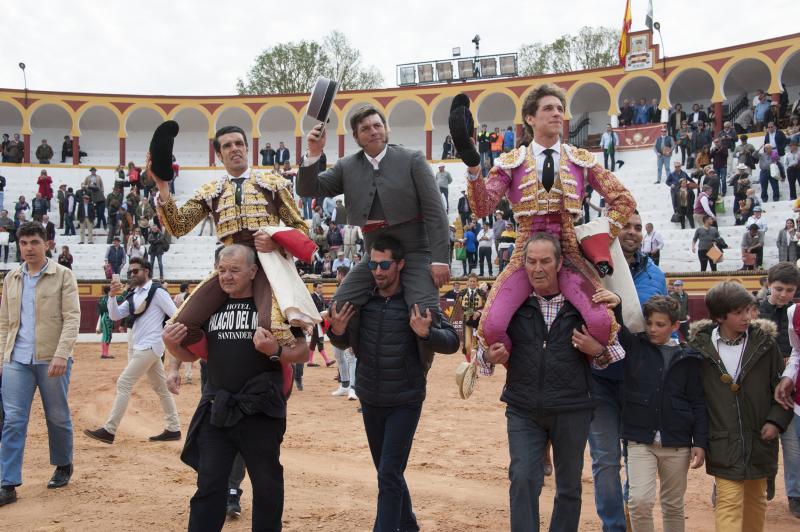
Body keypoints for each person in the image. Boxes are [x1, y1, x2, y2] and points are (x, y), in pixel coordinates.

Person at [456, 83, 636, 360]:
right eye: (548, 108)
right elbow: (482, 207)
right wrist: (473, 169)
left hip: (568, 251)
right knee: (491, 327)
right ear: (530, 118)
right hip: (524, 253)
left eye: (560, 109)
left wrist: (600, 234)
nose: (557, 114)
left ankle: (572, 366)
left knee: (601, 323)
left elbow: (624, 201)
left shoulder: (581, 159)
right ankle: (522, 366)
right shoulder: (511, 161)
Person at [479, 233, 623, 531]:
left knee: (569, 486)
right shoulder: (512, 305)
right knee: (522, 478)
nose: (537, 268)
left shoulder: (583, 303)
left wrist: (597, 351)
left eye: (545, 261)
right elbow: (483, 357)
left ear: (559, 264)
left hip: (572, 407)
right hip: (522, 406)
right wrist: (489, 358)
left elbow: (614, 353)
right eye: (531, 262)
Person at [163, 244, 308, 532]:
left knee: (267, 485)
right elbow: (192, 355)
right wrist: (170, 346)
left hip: (261, 411)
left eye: (234, 270)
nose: (227, 276)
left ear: (254, 271)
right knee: (209, 484)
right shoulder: (209, 307)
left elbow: (303, 351)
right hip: (219, 407)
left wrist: (275, 349)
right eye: (222, 270)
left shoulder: (273, 306)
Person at [299, 106, 450, 374]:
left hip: (414, 250)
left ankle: (417, 373)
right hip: (374, 254)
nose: (373, 131)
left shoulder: (412, 158)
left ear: (386, 129)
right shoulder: (347, 166)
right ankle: (363, 363)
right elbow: (308, 188)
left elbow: (436, 212)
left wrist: (439, 259)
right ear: (356, 137)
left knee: (424, 312)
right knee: (338, 307)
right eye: (366, 129)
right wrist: (314, 152)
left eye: (377, 125)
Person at [326, 235, 459, 532]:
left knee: (388, 473)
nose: (378, 271)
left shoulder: (417, 304)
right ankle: (408, 525)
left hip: (405, 400)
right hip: (371, 398)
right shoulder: (363, 302)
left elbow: (452, 342)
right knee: (389, 473)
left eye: (384, 264)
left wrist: (426, 334)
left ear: (400, 264)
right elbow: (342, 339)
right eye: (373, 265)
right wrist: (337, 331)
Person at [152, 125, 316, 357]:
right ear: (219, 155)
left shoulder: (272, 183)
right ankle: (218, 360)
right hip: (230, 264)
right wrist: (163, 186)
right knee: (181, 325)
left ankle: (279, 373)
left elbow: (301, 228)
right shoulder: (211, 191)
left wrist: (276, 243)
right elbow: (179, 226)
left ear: (247, 148)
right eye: (227, 145)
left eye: (239, 143)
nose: (235, 149)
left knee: (273, 326)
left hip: (267, 263)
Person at [688, 281, 792, 531]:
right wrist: (698, 440)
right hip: (722, 440)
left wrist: (775, 421)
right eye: (739, 312)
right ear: (719, 316)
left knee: (756, 500)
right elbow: (694, 399)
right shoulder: (699, 350)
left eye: (749, 310)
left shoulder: (766, 345)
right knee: (728, 501)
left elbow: (782, 389)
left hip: (760, 439)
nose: (747, 317)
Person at [0, 222, 80, 507]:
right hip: (16, 360)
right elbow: (5, 322)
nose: (29, 248)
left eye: (34, 242)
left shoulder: (63, 276)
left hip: (51, 359)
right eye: (23, 243)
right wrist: (2, 359)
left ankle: (62, 463)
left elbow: (71, 318)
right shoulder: (12, 278)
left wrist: (61, 353)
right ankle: (7, 482)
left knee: (57, 415)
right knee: (12, 420)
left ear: (47, 244)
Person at [619, 295, 706, 532]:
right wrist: (616, 301)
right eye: (649, 323)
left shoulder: (690, 358)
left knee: (673, 505)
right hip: (639, 438)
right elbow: (616, 323)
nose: (652, 329)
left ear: (675, 326)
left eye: (660, 325)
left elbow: (698, 402)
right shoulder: (635, 345)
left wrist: (699, 442)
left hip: (677, 442)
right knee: (639, 502)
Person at [83, 257, 181, 444]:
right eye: (130, 272)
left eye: (136, 271)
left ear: (146, 271)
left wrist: (167, 335)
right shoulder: (134, 294)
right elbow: (115, 315)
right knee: (160, 388)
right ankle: (173, 427)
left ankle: (109, 430)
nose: (132, 275)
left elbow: (175, 315)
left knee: (124, 383)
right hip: (142, 346)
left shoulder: (157, 291)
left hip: (151, 345)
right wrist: (111, 296)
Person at [758, 262, 800, 515]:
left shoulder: (795, 313)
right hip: (760, 385)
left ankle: (795, 494)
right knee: (759, 437)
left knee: (792, 445)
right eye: (779, 289)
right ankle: (766, 475)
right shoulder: (755, 310)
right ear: (767, 285)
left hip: (789, 386)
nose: (783, 294)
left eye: (789, 290)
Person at [307, 282, 333, 368]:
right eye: (319, 287)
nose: (320, 289)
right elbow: (311, 309)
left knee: (314, 341)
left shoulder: (321, 297)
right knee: (319, 340)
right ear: (314, 288)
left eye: (321, 287)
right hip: (315, 321)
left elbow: (323, 307)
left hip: (320, 321)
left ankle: (310, 361)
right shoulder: (312, 297)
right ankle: (327, 361)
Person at [461, 273, 486, 362]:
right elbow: (458, 307)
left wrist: (479, 312)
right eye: (470, 281)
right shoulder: (462, 292)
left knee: (478, 345)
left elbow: (486, 306)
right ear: (467, 282)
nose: (472, 283)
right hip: (467, 321)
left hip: (478, 321)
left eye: (474, 281)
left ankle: (474, 366)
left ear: (477, 283)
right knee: (467, 345)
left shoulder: (482, 293)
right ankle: (469, 364)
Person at [97, 286, 115, 360]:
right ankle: (105, 354)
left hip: (103, 316)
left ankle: (104, 353)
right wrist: (126, 291)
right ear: (109, 291)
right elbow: (121, 298)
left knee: (104, 336)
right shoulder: (109, 298)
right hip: (108, 317)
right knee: (107, 336)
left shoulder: (102, 298)